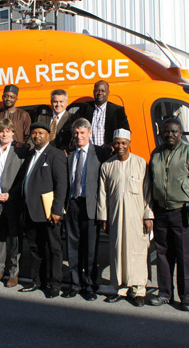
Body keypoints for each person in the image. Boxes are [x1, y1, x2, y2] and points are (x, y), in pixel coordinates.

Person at [148, 118, 189, 311]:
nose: (170, 135)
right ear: (161, 133)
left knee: (185, 256)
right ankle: (165, 293)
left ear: (181, 133)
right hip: (161, 211)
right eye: (166, 131)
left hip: (182, 212)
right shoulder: (156, 153)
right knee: (163, 255)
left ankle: (185, 297)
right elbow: (151, 182)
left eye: (174, 131)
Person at [97, 129, 153, 307]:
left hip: (137, 218)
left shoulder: (141, 163)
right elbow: (102, 194)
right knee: (117, 251)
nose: (120, 146)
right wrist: (104, 218)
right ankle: (120, 288)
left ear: (129, 143)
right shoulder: (107, 165)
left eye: (123, 143)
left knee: (138, 252)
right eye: (117, 143)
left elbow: (147, 192)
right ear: (113, 144)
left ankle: (138, 290)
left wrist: (148, 216)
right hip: (115, 217)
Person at [19, 122, 68, 298]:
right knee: (34, 248)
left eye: (40, 133)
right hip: (31, 211)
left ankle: (54, 284)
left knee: (54, 248)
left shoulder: (55, 155)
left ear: (48, 135)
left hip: (48, 212)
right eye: (34, 133)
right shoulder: (31, 155)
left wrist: (57, 210)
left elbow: (61, 184)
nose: (37, 136)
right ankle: (37, 280)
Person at [63, 118, 109, 301]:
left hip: (90, 206)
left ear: (90, 133)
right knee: (72, 247)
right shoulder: (69, 155)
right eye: (76, 133)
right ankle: (74, 284)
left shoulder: (100, 153)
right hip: (72, 205)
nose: (79, 136)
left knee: (90, 249)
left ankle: (89, 285)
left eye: (82, 133)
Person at [0, 118, 27, 287]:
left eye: (7, 131)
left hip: (13, 201)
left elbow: (23, 177)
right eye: (1, 131)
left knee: (15, 239)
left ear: (13, 133)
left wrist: (11, 194)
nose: (4, 134)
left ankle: (14, 273)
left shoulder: (20, 151)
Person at [68, 80, 129, 149]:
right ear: (93, 92)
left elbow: (125, 132)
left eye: (103, 91)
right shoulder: (85, 107)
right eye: (97, 91)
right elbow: (70, 124)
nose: (100, 93)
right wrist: (75, 141)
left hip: (109, 152)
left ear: (108, 93)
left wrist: (112, 145)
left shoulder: (117, 110)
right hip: (88, 151)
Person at [0, 85, 31, 152]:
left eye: (12, 97)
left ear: (16, 99)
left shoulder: (23, 115)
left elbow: (28, 135)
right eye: (6, 96)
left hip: (17, 152)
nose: (8, 99)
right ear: (2, 97)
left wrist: (23, 145)